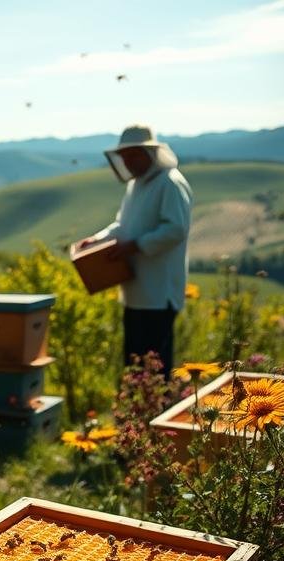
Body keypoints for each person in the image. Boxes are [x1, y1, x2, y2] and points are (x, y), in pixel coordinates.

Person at [77, 125, 193, 379]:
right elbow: (123, 226)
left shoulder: (170, 183)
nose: (128, 162)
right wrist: (96, 240)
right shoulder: (137, 186)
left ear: (150, 153)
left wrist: (135, 245)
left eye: (133, 156)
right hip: (135, 291)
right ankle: (137, 414)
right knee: (135, 365)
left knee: (155, 369)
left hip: (159, 293)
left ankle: (155, 415)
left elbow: (175, 229)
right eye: (125, 157)